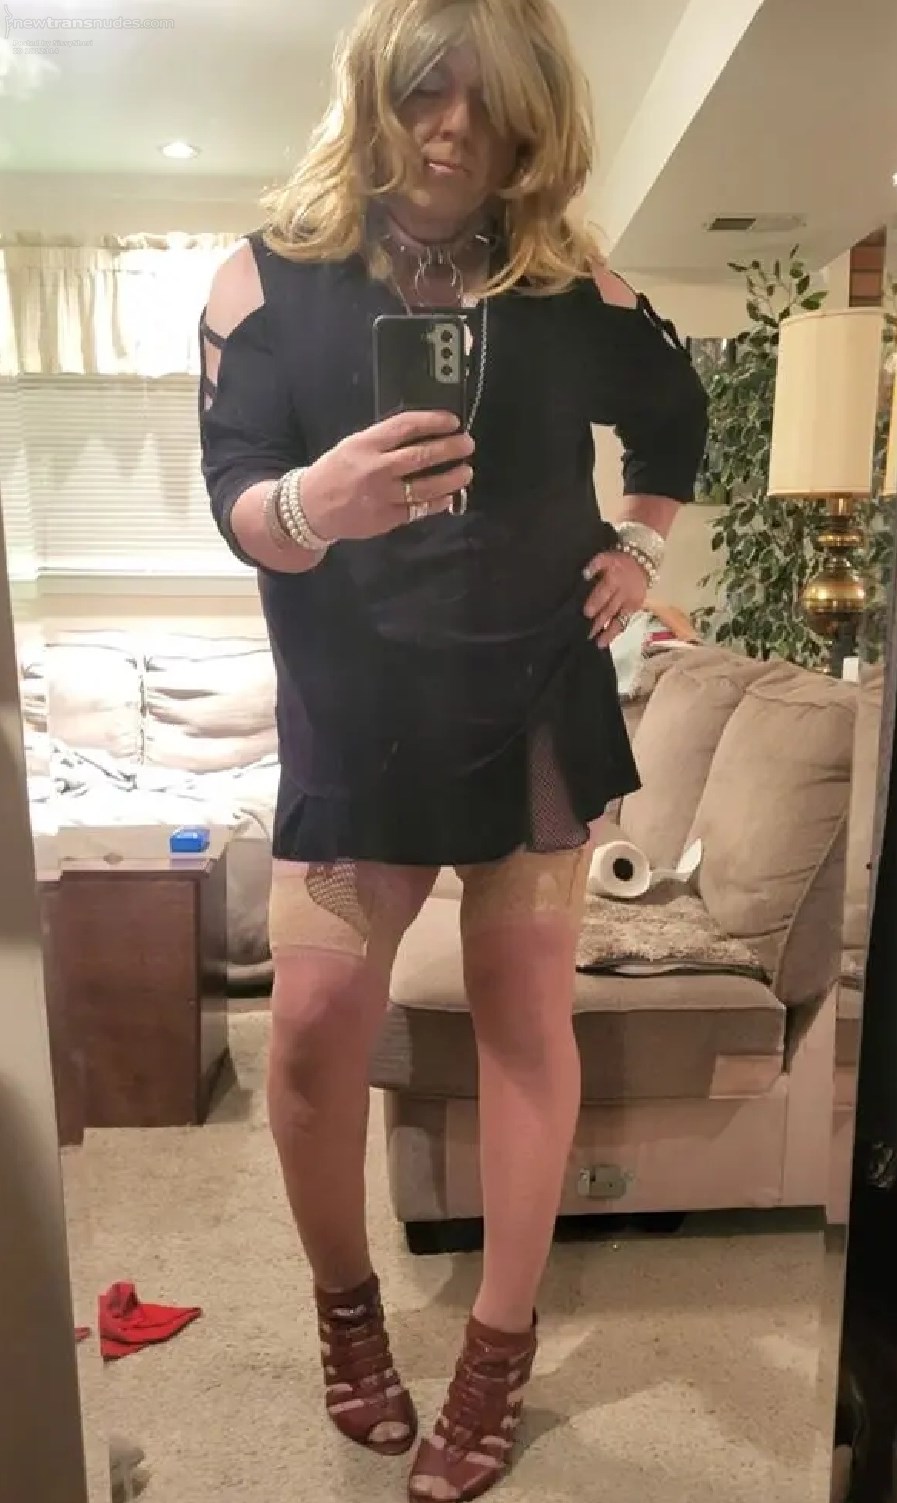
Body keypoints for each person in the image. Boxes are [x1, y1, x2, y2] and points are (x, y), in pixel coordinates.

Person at [198, 0, 708, 1497]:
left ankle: (498, 1345)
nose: (453, 128)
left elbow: (675, 416)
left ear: (534, 113)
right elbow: (233, 490)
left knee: (522, 1018)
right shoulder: (261, 278)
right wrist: (317, 505)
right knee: (311, 1031)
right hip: (355, 698)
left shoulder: (571, 282)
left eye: (491, 100)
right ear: (377, 89)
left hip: (535, 687)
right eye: (428, 88)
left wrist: (639, 548)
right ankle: (346, 1312)